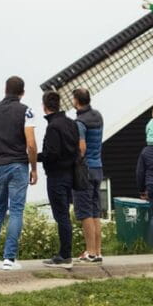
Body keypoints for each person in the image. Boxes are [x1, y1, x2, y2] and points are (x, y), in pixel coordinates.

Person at [0, 76, 38, 271]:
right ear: (22, 93)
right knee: (16, 211)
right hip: (18, 165)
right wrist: (34, 168)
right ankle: (9, 259)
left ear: (5, 89)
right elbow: (31, 144)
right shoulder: (26, 111)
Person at [37, 91, 79, 269]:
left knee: (60, 216)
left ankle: (64, 255)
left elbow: (52, 154)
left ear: (44, 106)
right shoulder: (71, 123)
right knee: (64, 215)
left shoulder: (53, 126)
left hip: (56, 176)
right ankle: (66, 253)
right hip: (70, 174)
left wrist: (34, 157)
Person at [72, 88, 104, 263]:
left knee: (85, 213)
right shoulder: (98, 116)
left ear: (76, 100)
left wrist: (74, 159)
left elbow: (82, 147)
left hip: (85, 170)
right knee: (95, 211)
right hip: (98, 167)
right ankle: (98, 251)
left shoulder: (79, 122)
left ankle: (90, 252)